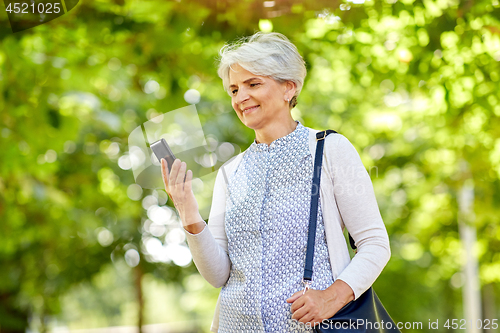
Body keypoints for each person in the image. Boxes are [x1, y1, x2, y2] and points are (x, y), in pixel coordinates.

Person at [161, 32, 391, 332]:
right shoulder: (231, 172)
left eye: (253, 84)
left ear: (289, 87)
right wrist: (188, 212)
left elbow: (375, 244)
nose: (240, 97)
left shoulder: (329, 149)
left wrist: (330, 299)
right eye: (233, 90)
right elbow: (218, 276)